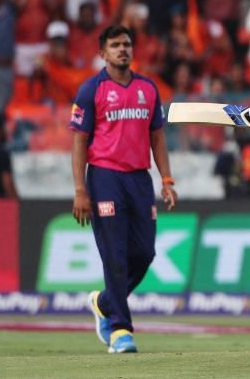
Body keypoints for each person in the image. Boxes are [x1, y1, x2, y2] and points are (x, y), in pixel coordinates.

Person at [69, 25, 177, 354]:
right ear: (102, 53)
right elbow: (78, 143)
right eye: (115, 45)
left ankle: (104, 302)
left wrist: (167, 179)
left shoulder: (148, 88)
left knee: (144, 255)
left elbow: (157, 137)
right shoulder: (91, 90)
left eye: (127, 44)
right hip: (104, 177)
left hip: (139, 179)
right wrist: (80, 190)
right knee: (114, 256)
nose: (122, 49)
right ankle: (120, 330)